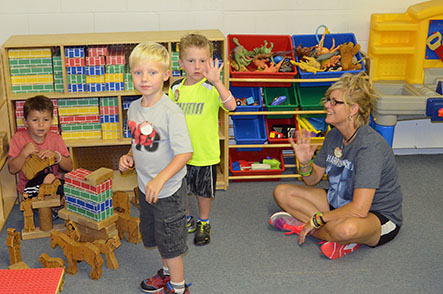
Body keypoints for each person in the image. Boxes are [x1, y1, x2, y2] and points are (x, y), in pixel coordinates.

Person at [270, 72, 403, 260]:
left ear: (353, 109)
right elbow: (312, 179)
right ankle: (331, 236)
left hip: (377, 215)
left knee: (346, 229)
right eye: (328, 100)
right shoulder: (334, 135)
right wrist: (305, 162)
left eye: (334, 102)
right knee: (282, 192)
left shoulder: (369, 147)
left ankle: (308, 227)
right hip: (341, 202)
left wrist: (317, 220)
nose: (326, 105)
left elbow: (359, 210)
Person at [119, 42, 193, 294]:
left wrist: (160, 179)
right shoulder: (134, 108)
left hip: (168, 190)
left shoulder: (171, 112)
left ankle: (179, 287)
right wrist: (129, 157)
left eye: (152, 72)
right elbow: (139, 142)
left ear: (166, 75)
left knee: (171, 243)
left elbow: (185, 153)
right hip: (146, 186)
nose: (144, 78)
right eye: (138, 72)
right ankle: (165, 274)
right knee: (157, 236)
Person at [168, 33, 236, 246]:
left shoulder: (212, 87)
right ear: (180, 63)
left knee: (203, 192)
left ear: (210, 62)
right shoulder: (175, 88)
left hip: (205, 153)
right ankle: (187, 218)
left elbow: (231, 106)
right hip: (180, 154)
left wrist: (217, 82)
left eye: (202, 61)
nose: (197, 66)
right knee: (183, 188)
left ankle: (203, 222)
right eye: (191, 61)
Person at [8, 95, 73, 206]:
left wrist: (57, 156)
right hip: (29, 188)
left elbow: (69, 167)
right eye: (35, 120)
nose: (41, 124)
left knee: (71, 187)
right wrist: (24, 153)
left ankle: (57, 203)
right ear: (25, 122)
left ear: (52, 121)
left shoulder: (56, 139)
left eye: (46, 120)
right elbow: (12, 169)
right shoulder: (18, 138)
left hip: (54, 184)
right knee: (49, 179)